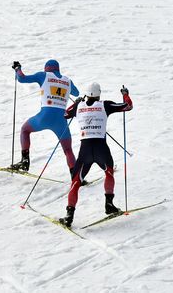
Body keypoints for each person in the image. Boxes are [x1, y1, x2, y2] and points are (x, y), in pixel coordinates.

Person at [61, 83, 132, 227]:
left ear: (87, 94)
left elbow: (65, 115)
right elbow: (127, 106)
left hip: (85, 150)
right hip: (101, 149)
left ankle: (69, 215)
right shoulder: (105, 105)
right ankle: (109, 205)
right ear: (99, 94)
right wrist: (125, 93)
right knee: (109, 173)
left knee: (76, 182)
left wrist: (75, 103)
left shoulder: (78, 106)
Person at [9, 60, 79, 176]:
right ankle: (76, 177)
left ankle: (25, 161)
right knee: (68, 150)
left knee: (25, 130)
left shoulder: (43, 75)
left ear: (46, 68)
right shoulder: (67, 80)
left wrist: (17, 69)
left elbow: (21, 78)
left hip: (44, 117)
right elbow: (76, 93)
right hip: (61, 121)